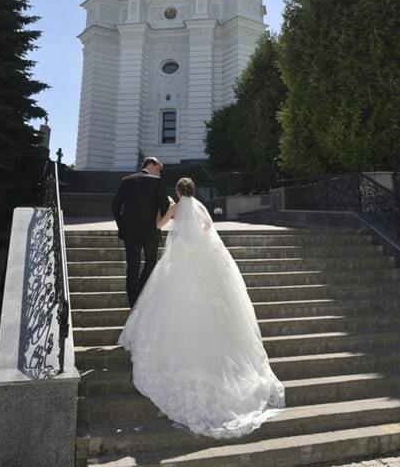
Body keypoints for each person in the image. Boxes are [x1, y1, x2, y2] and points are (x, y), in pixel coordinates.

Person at [117, 177, 285, 439]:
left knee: (173, 304)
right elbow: (208, 228)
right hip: (200, 261)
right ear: (193, 191)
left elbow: (158, 224)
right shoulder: (199, 207)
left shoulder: (176, 206)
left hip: (179, 263)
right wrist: (194, 238)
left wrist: (171, 219)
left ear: (177, 191)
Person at [111, 157, 170, 308]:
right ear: (150, 165)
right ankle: (141, 293)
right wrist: (158, 223)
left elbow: (115, 206)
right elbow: (165, 205)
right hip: (151, 231)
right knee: (151, 262)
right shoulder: (156, 182)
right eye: (158, 169)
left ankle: (133, 304)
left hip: (130, 232)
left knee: (132, 267)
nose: (159, 173)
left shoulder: (126, 180)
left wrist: (121, 225)